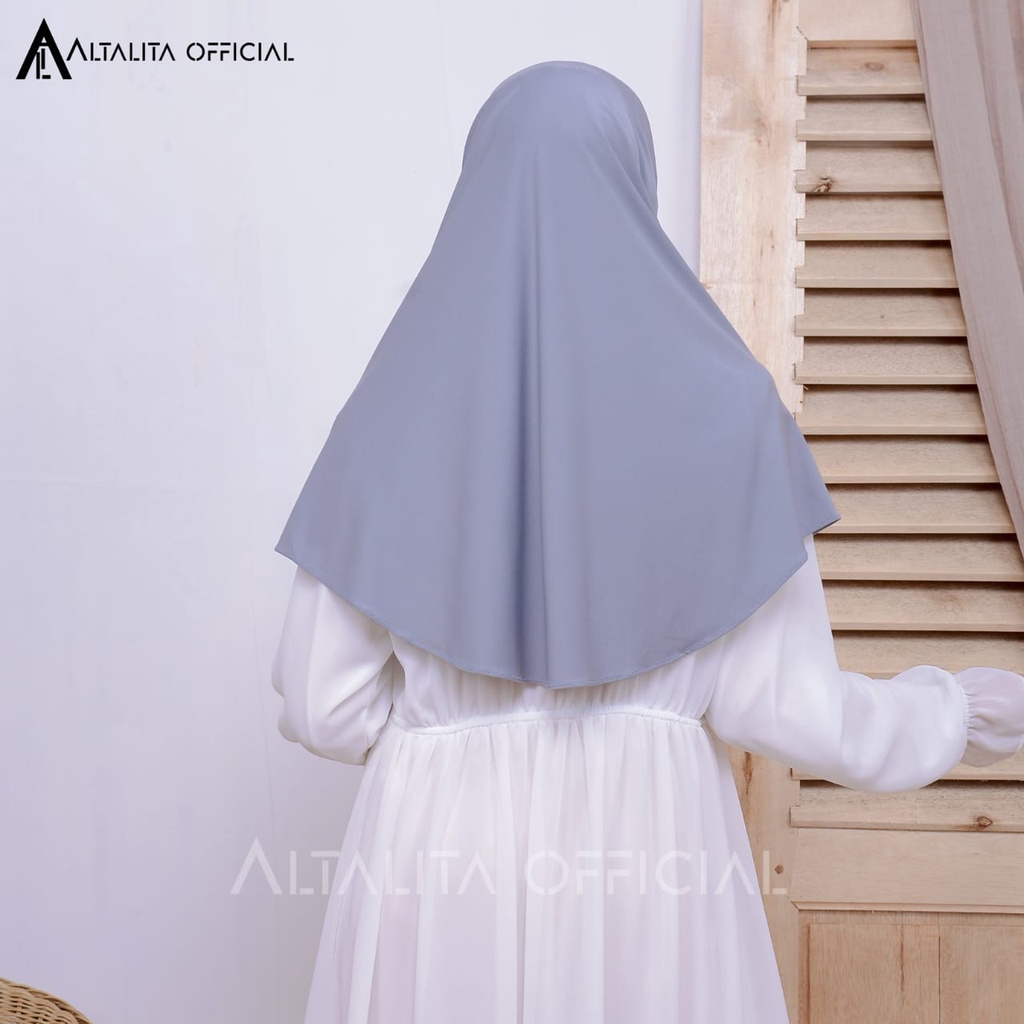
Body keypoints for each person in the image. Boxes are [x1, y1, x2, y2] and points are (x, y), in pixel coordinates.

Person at [270, 60, 1024, 1024]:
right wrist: (958, 711)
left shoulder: (384, 425)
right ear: (637, 187)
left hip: (442, 854)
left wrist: (457, 726)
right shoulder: (731, 417)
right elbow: (786, 709)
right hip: (654, 852)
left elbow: (325, 710)